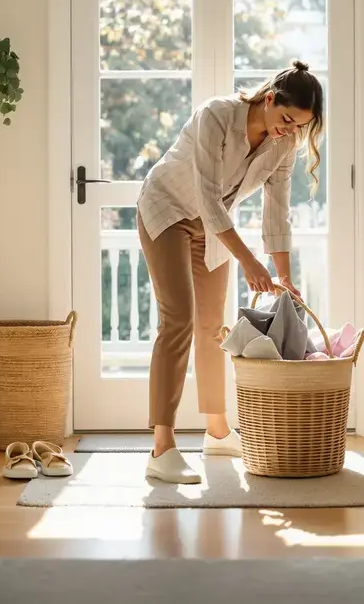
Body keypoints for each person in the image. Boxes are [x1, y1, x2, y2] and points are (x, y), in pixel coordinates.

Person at [136, 60, 325, 484]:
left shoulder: (283, 146)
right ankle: (161, 448)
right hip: (167, 209)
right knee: (178, 320)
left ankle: (217, 432)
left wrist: (283, 275)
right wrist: (248, 261)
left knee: (211, 326)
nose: (289, 131)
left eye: (299, 127)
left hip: (213, 226)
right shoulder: (216, 116)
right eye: (286, 120)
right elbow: (207, 198)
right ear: (269, 99)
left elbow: (277, 211)